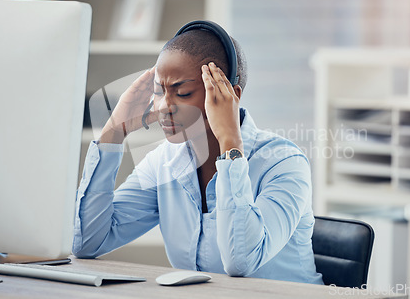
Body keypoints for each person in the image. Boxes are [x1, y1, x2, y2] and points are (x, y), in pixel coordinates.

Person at [72, 21, 323, 284]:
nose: (163, 107)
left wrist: (230, 144)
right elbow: (87, 242)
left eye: (182, 92)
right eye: (158, 92)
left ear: (230, 96)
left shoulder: (284, 163)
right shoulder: (165, 163)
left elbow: (241, 261)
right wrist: (114, 131)